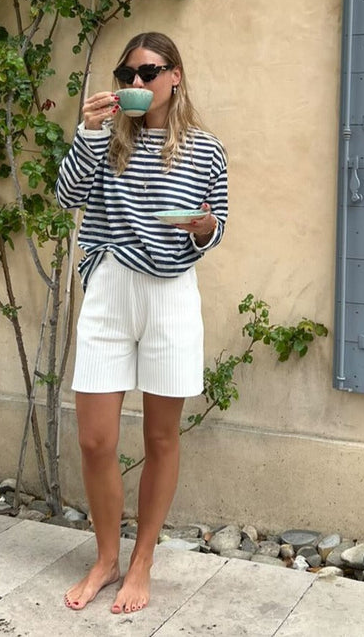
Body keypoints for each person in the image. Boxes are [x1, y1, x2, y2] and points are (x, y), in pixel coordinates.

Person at [55, 31, 228, 614]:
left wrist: (203, 228)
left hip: (171, 295)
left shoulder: (206, 148)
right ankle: (104, 557)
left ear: (175, 75)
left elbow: (216, 220)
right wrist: (87, 132)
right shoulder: (104, 141)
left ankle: (141, 561)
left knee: (159, 438)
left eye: (149, 72)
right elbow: (66, 196)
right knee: (95, 438)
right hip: (109, 287)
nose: (136, 84)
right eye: (127, 74)